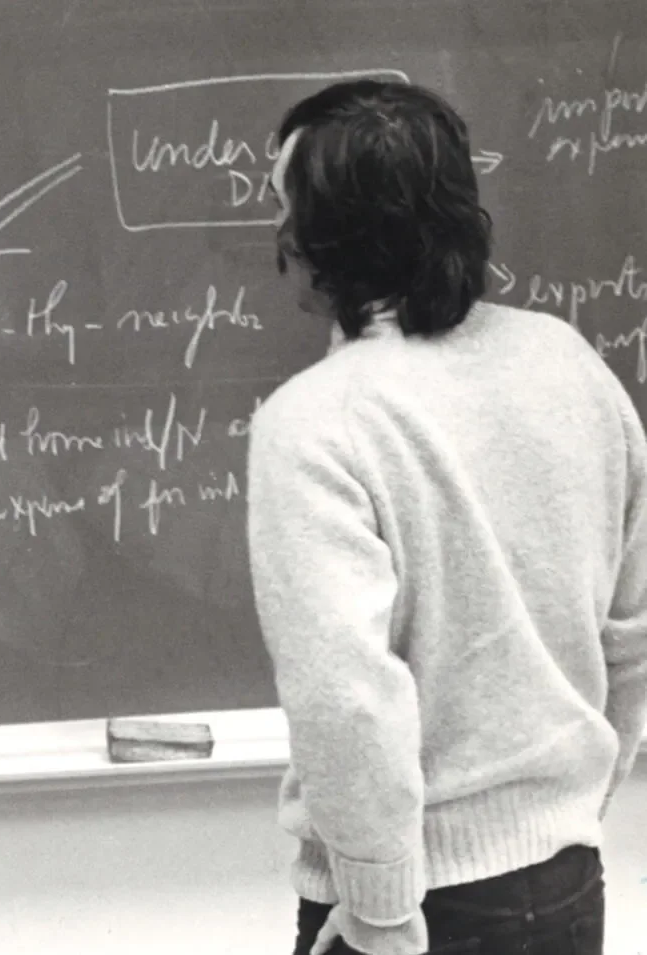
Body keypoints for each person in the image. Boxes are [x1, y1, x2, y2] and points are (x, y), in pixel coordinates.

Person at [246, 79, 647, 955]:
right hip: (570, 882)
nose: (278, 237)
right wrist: (567, 808)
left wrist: (383, 918)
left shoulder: (315, 424)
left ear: (328, 239)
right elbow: (634, 628)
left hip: (418, 910)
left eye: (287, 210)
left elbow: (348, 700)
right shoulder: (569, 363)